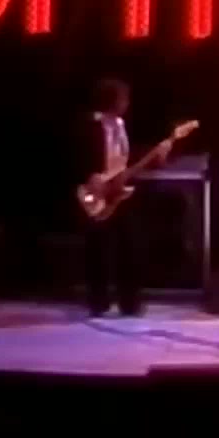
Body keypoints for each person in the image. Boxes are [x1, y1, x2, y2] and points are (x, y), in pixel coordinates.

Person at [78, 78, 146, 317]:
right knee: (98, 248)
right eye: (123, 98)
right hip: (98, 192)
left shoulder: (122, 125)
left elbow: (126, 157)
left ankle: (130, 302)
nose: (127, 103)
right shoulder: (90, 126)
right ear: (112, 100)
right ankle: (98, 301)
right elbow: (77, 156)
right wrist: (91, 176)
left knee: (130, 246)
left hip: (120, 192)